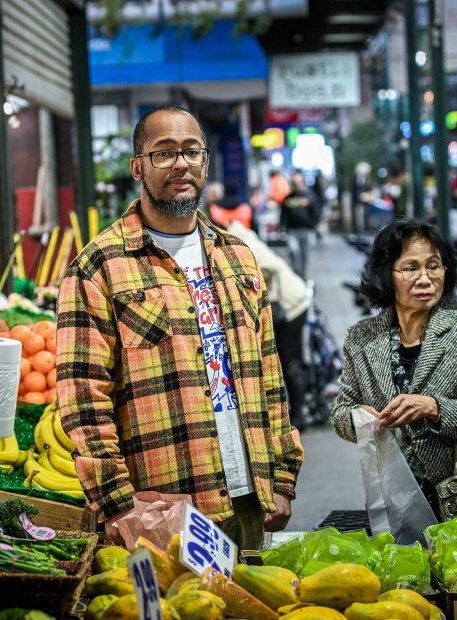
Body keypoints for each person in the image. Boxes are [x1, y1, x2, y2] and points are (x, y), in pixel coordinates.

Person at [56, 105, 303, 551]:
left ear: (205, 162)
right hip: (163, 505)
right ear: (138, 167)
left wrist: (283, 473)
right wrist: (117, 503)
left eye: (192, 152)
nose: (181, 164)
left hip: (250, 492)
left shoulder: (237, 256)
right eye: (163, 153)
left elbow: (269, 372)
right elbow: (82, 396)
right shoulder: (97, 267)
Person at [331, 217, 457, 520]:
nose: (425, 278)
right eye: (411, 268)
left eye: (433, 266)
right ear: (387, 274)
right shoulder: (361, 338)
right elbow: (341, 413)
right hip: (395, 502)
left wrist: (434, 408)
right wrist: (360, 418)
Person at [226, 220, 310, 431]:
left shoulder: (240, 245)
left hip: (291, 305)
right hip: (295, 299)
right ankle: (296, 412)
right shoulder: (242, 236)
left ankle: (299, 416)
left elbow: (270, 267)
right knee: (288, 360)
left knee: (290, 362)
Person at [280, 170, 318, 278]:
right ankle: (296, 272)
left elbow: (315, 210)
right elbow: (284, 214)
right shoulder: (288, 198)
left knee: (304, 255)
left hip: (305, 230)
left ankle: (303, 275)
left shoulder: (309, 196)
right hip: (292, 230)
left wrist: (315, 224)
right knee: (293, 251)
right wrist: (282, 227)